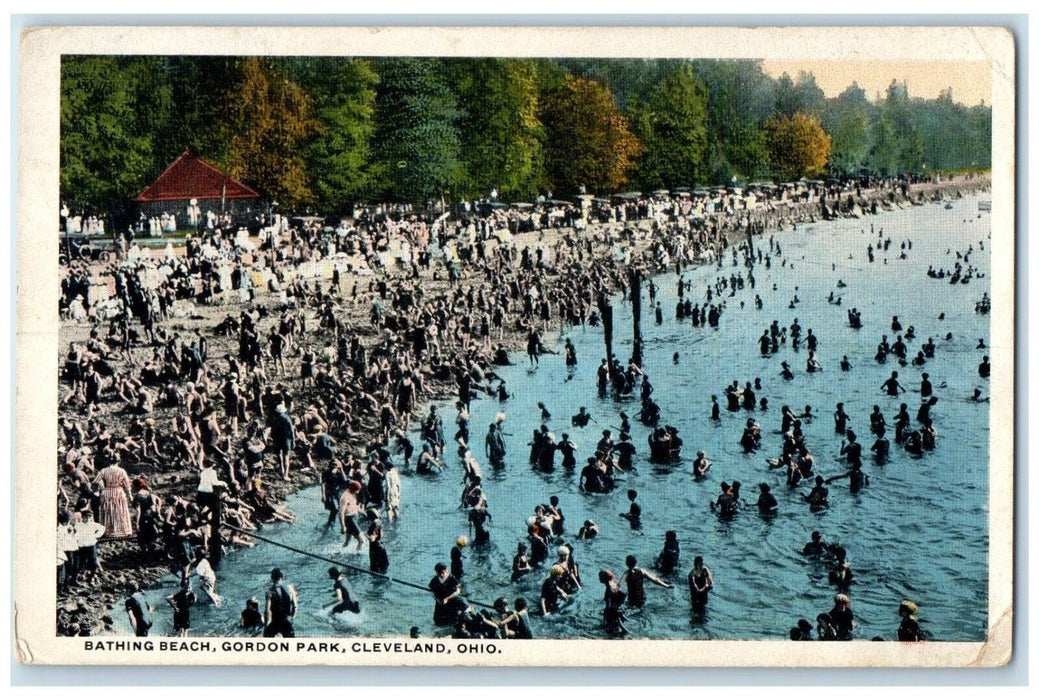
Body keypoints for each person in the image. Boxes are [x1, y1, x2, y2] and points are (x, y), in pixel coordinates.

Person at [94, 461, 133, 539]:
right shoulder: (121, 471)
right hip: (118, 492)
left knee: (108, 512)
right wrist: (130, 496)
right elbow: (127, 485)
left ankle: (108, 531)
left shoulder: (104, 470)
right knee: (120, 511)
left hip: (107, 492)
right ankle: (121, 530)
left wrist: (101, 489)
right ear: (118, 461)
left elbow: (95, 481)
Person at [264, 567, 298, 638]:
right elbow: (295, 606)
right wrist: (292, 618)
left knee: (266, 638)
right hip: (286, 620)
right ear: (282, 577)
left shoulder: (269, 592)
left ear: (272, 578)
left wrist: (266, 625)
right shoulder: (290, 589)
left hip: (275, 622)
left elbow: (267, 611)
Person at [599, 569, 628, 636]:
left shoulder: (609, 588)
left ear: (604, 578)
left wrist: (606, 612)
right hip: (617, 608)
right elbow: (622, 594)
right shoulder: (613, 583)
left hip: (612, 611)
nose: (599, 578)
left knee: (609, 630)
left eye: (600, 577)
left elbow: (609, 604)